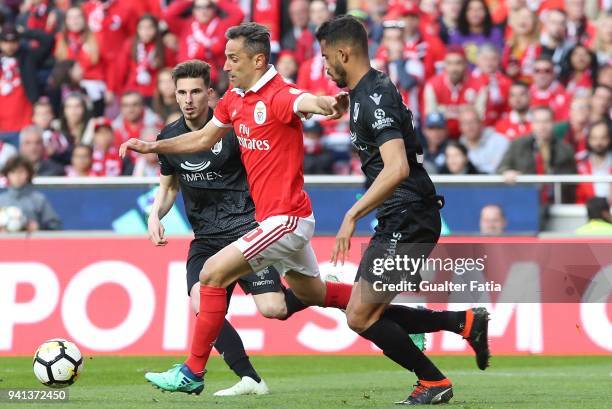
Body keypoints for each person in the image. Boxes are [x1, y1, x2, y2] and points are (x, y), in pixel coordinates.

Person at [121, 22, 355, 395]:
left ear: (258, 60)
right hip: (221, 231)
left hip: (264, 222)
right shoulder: (232, 102)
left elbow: (303, 100)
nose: (227, 66)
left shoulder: (275, 96)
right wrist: (153, 150)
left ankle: (192, 372)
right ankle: (385, 306)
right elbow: (194, 146)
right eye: (181, 92)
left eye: (233, 59)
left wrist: (328, 104)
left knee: (246, 294)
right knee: (295, 299)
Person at [316, 16, 490, 405]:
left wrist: (351, 215)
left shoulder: (374, 96)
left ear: (344, 53)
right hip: (401, 215)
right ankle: (460, 322)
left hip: (408, 215)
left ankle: (433, 381)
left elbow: (397, 167)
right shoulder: (366, 93)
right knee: (366, 308)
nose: (325, 66)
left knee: (361, 315)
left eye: (327, 57)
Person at [148, 60, 321, 396]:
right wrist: (155, 215)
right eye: (182, 92)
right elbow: (169, 187)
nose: (188, 99)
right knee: (202, 303)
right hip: (206, 238)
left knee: (275, 309)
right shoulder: (169, 137)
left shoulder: (233, 128)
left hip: (245, 230)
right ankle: (250, 378)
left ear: (209, 93)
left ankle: (318, 289)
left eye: (196, 91)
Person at [0, 155, 61, 231]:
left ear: (28, 174)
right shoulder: (1, 200)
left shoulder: (38, 199)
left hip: (32, 242)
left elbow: (55, 226)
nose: (17, 176)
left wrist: (39, 227)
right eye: (13, 172)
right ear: (7, 175)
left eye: (21, 172)